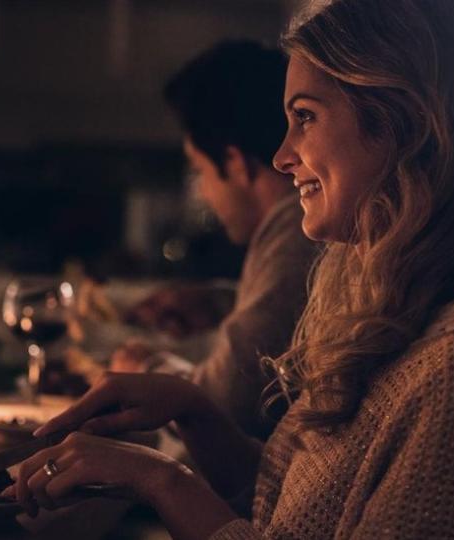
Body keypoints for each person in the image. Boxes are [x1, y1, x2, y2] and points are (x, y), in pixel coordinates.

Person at [3, 0, 454, 537]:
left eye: (305, 116)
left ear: (406, 124)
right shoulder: (396, 312)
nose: (281, 156)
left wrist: (159, 479)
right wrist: (191, 409)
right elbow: (295, 511)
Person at [113, 40, 321, 439]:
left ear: (235, 162)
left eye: (199, 171)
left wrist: (142, 370)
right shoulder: (291, 230)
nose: (204, 192)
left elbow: (229, 405)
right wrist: (221, 302)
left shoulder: (300, 232)